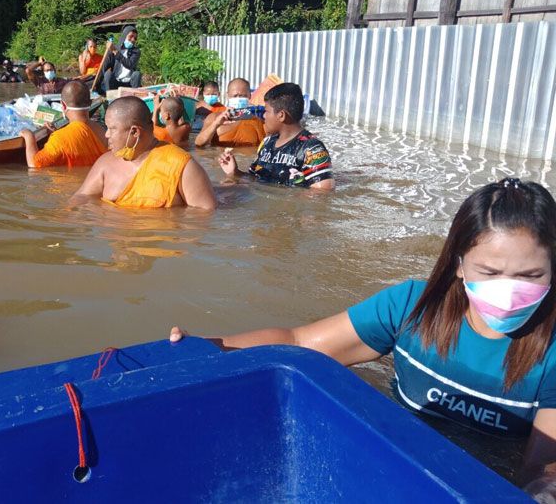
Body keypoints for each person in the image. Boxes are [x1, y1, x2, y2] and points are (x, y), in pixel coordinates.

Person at [170, 177, 556, 500]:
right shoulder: (410, 307)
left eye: (530, 275)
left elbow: (541, 468)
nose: (509, 291)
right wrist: (212, 348)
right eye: (490, 271)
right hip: (397, 459)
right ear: (458, 265)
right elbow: (301, 343)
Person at [70, 96, 216, 210]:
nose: (107, 135)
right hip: (119, 244)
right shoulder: (105, 163)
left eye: (112, 129)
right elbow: (82, 197)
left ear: (134, 132)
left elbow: (203, 216)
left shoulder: (182, 166)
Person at [219, 83, 334, 190]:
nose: (263, 116)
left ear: (281, 115)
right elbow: (255, 179)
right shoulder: (267, 142)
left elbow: (321, 195)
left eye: (266, 111)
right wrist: (235, 172)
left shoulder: (312, 149)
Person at [21, 80, 107, 168]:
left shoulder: (60, 139)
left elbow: (34, 165)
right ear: (90, 102)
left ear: (63, 105)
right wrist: (55, 134)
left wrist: (29, 136)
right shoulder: (103, 132)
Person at [195, 77, 266, 148]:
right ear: (228, 96)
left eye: (242, 96)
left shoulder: (257, 122)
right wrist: (216, 123)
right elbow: (199, 143)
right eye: (235, 96)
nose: (238, 99)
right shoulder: (214, 117)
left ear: (250, 96)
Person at [100, 26, 141, 95]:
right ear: (124, 36)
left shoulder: (136, 51)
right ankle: (109, 97)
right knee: (107, 74)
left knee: (137, 74)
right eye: (130, 36)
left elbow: (129, 65)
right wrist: (97, 84)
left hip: (129, 83)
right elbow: (104, 67)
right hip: (116, 82)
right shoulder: (115, 48)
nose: (133, 40)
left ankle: (134, 97)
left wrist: (115, 51)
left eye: (135, 38)